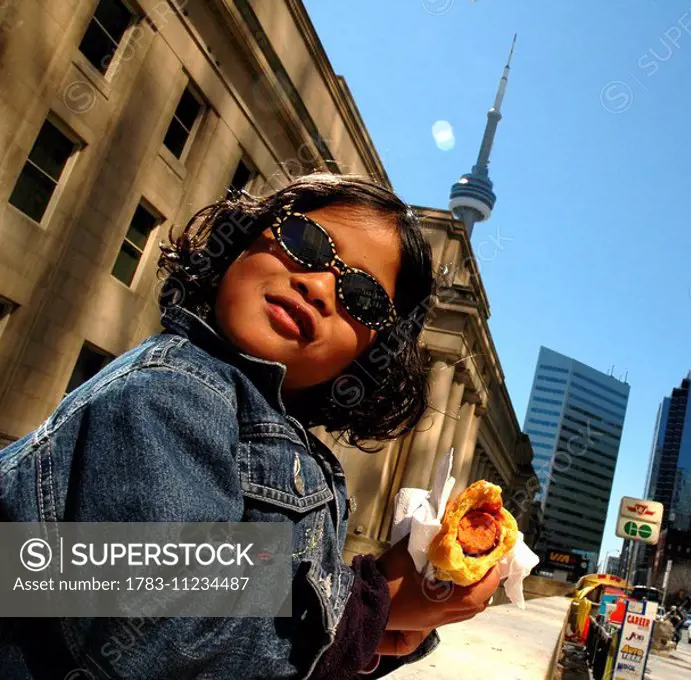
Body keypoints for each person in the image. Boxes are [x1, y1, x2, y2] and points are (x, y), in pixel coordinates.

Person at [0, 175, 501, 679]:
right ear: (243, 237)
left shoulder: (292, 450)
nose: (320, 286)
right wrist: (368, 611)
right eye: (305, 242)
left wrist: (373, 630)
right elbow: (155, 627)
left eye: (363, 296)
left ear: (372, 355)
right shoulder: (176, 387)